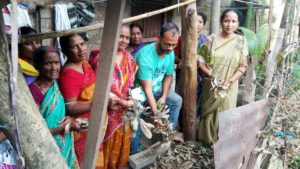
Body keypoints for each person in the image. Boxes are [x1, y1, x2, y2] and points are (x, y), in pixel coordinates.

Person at [197, 9, 248, 144]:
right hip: (211, 83)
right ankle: (206, 141)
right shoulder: (210, 39)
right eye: (226, 20)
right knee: (208, 111)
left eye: (233, 21)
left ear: (238, 24)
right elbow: (201, 62)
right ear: (221, 22)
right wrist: (211, 75)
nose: (229, 24)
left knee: (226, 111)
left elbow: (243, 66)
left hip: (229, 85)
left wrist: (229, 81)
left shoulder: (241, 41)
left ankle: (222, 142)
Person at [131, 22, 182, 153]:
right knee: (135, 116)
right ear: (159, 38)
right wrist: (157, 114)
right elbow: (147, 89)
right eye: (167, 44)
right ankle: (135, 151)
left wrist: (164, 97)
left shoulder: (170, 53)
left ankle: (165, 135)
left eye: (174, 44)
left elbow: (168, 76)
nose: (171, 48)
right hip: (138, 90)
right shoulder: (145, 56)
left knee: (176, 101)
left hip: (156, 88)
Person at [58, 33, 106, 167]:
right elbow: (70, 106)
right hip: (81, 126)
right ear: (65, 51)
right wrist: (97, 104)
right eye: (74, 47)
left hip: (92, 121)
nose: (81, 49)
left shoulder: (84, 64)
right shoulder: (69, 73)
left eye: (82, 44)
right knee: (85, 160)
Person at [29, 46, 80, 168]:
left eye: (56, 63)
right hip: (47, 147)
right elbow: (33, 128)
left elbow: (61, 111)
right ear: (37, 66)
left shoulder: (56, 84)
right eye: (48, 63)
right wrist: (60, 129)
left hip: (64, 142)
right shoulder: (34, 92)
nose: (54, 68)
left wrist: (68, 118)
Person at [101, 25, 137, 169]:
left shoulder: (129, 60)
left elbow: (130, 85)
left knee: (122, 143)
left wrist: (130, 100)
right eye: (120, 36)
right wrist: (119, 101)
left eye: (127, 37)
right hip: (107, 110)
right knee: (106, 143)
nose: (124, 40)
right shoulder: (101, 57)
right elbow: (98, 86)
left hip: (124, 110)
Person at [174, 12, 208, 127]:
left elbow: (209, 61)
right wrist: (180, 61)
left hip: (199, 77)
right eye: (195, 20)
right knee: (181, 99)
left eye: (200, 21)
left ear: (203, 24)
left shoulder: (206, 41)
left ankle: (192, 126)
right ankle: (181, 125)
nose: (197, 24)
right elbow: (174, 56)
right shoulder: (182, 39)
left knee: (196, 100)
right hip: (183, 75)